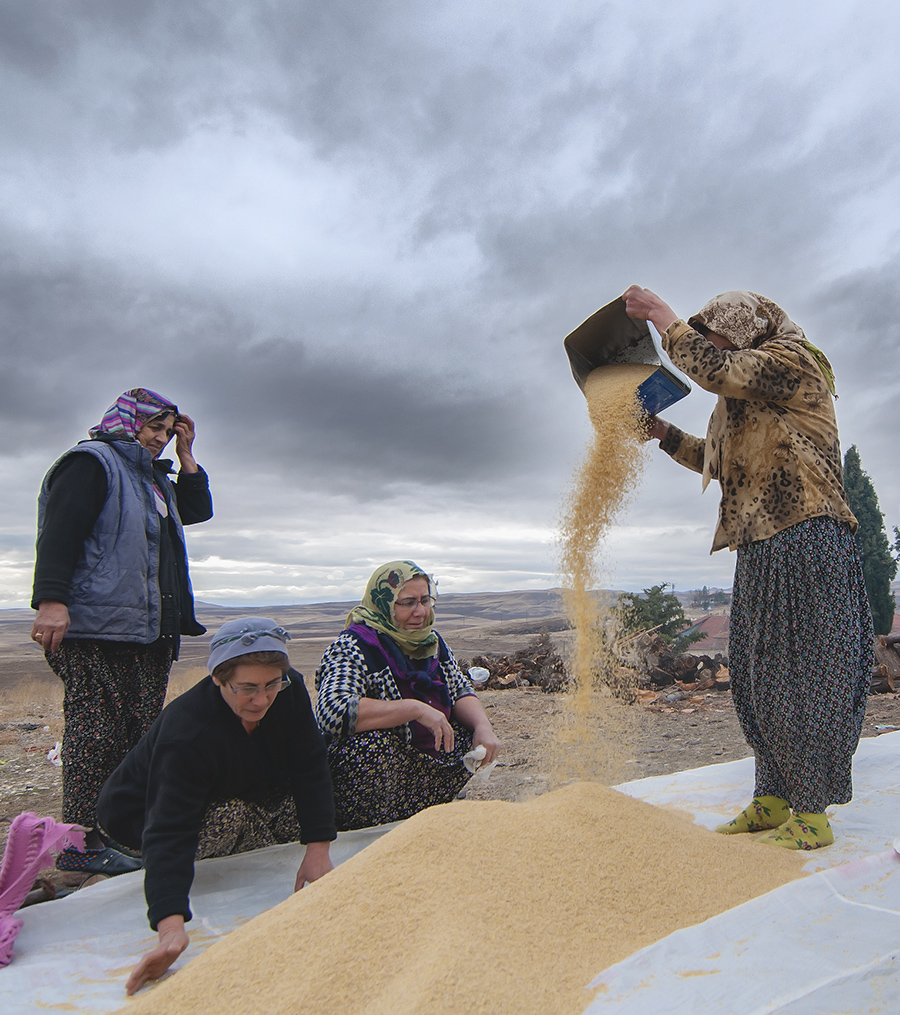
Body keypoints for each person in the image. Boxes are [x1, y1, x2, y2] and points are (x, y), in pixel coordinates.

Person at [622, 286, 873, 850]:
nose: (710, 347)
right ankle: (773, 798)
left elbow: (714, 369)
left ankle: (812, 813)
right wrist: (662, 436)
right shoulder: (737, 401)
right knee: (760, 678)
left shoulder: (791, 363)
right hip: (759, 545)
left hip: (809, 536)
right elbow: (714, 461)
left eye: (715, 337)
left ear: (742, 330)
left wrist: (663, 318)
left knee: (809, 676)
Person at [95, 617, 336, 994]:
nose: (262, 699)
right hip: (139, 819)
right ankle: (125, 861)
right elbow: (169, 828)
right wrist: (170, 929)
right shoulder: (188, 733)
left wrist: (319, 850)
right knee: (232, 817)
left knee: (307, 814)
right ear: (218, 680)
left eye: (272, 683)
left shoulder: (288, 691)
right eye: (247, 688)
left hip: (237, 791)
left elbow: (310, 763)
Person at [30, 388, 213, 873]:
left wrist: (186, 455)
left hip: (146, 629)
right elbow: (61, 531)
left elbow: (195, 513)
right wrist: (51, 601)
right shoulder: (92, 463)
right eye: (153, 427)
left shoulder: (151, 480)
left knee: (138, 735)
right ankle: (80, 844)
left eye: (166, 430)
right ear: (126, 421)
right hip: (95, 626)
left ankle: (120, 833)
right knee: (96, 732)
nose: (158, 438)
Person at [315, 560, 501, 830]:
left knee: (462, 734)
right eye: (408, 602)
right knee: (369, 747)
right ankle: (367, 834)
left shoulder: (431, 642)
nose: (420, 611)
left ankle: (424, 822)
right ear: (384, 602)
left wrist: (483, 727)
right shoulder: (354, 646)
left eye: (425, 600)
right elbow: (334, 711)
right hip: (370, 778)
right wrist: (414, 709)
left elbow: (459, 689)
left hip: (418, 767)